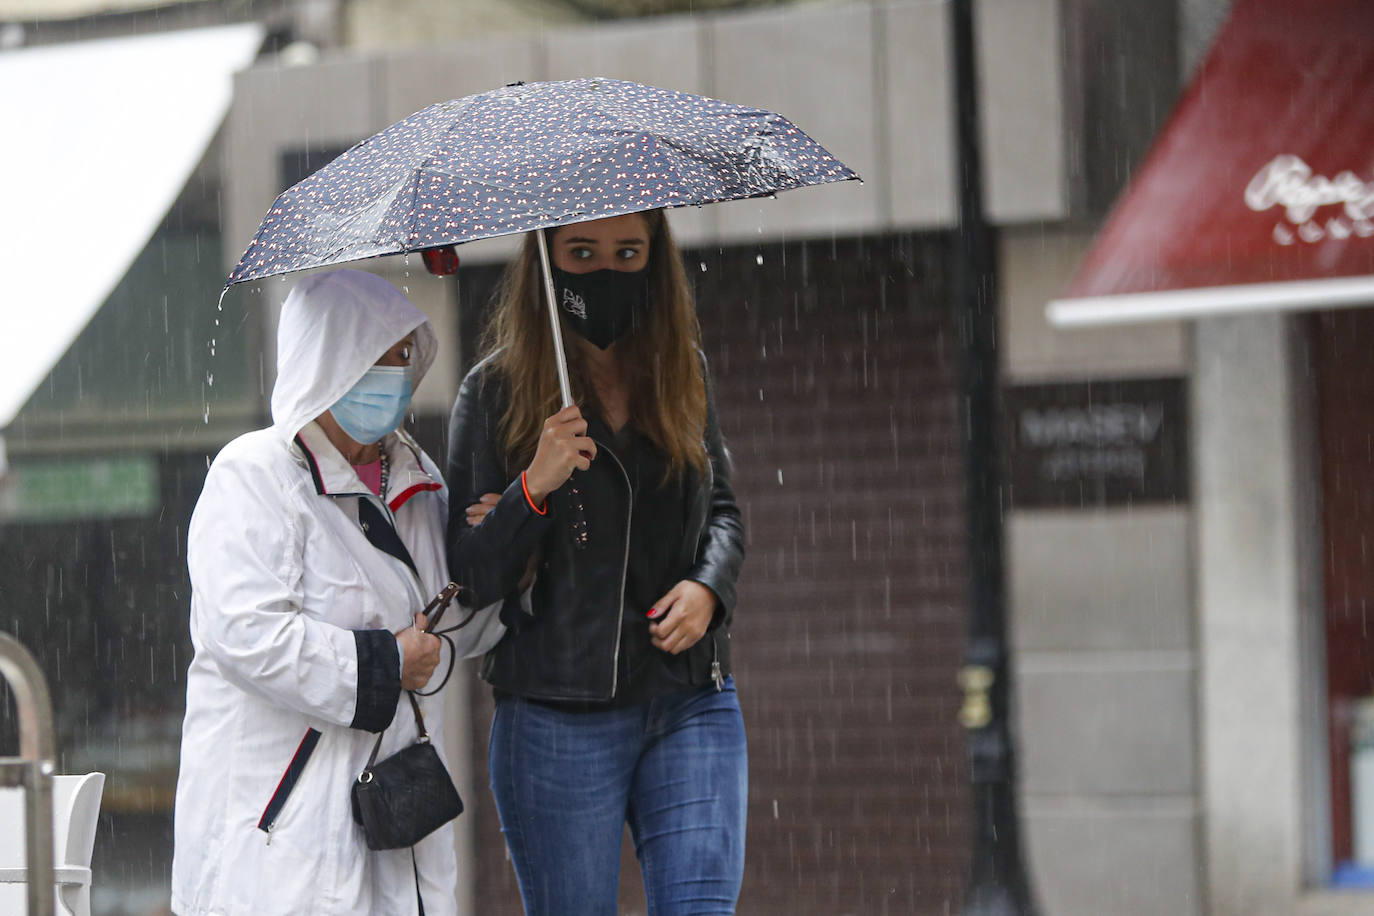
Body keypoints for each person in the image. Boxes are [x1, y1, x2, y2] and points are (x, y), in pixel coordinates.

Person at [445, 209, 747, 916]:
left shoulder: (681, 375)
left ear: (655, 260)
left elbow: (725, 511)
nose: (605, 270)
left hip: (689, 698)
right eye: (581, 253)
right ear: (545, 264)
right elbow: (467, 579)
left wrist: (709, 589)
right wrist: (534, 486)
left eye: (627, 251)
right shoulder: (493, 393)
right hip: (555, 717)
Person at [172, 269, 458, 916]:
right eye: (376, 357)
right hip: (280, 836)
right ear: (329, 361)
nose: (395, 377)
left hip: (392, 820)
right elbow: (247, 635)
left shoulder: (417, 479)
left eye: (403, 358)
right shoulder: (255, 476)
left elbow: (456, 622)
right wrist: (387, 662)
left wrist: (510, 537)